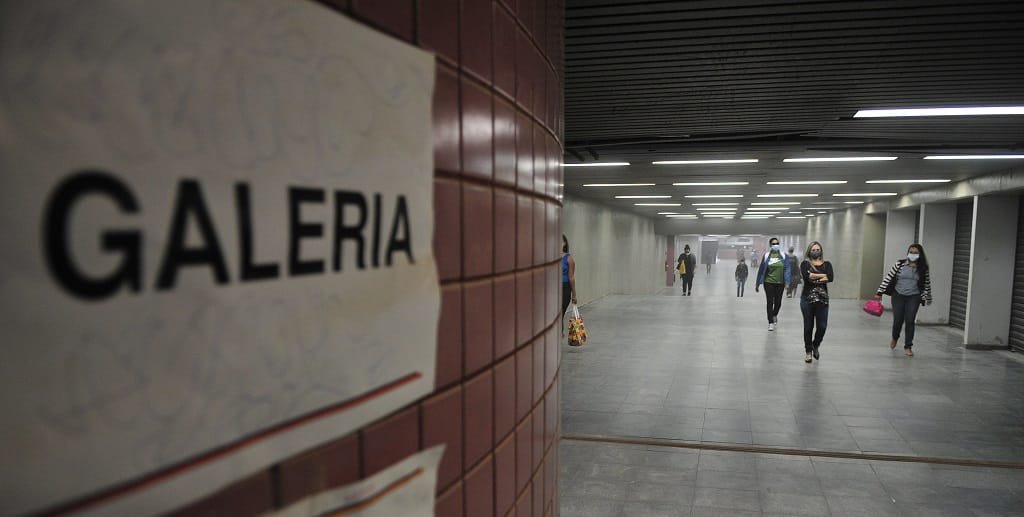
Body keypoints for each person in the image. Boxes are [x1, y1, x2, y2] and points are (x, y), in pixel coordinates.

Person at [874, 243, 932, 356]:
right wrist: (879, 292)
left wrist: (926, 298)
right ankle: (895, 337)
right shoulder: (900, 264)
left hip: (914, 297)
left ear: (920, 255)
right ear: (908, 253)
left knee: (910, 320)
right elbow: (889, 277)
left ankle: (908, 346)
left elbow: (926, 284)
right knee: (898, 320)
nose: (913, 254)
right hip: (898, 295)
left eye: (916, 253)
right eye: (911, 252)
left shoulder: (923, 268)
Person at [800, 241, 834, 363]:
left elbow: (830, 277)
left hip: (822, 299)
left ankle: (816, 344)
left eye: (817, 249)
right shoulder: (805, 264)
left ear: (821, 250)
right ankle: (808, 352)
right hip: (806, 299)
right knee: (808, 326)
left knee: (822, 326)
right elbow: (806, 277)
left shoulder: (827, 264)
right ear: (809, 251)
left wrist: (814, 275)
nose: (815, 251)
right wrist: (822, 276)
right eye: (813, 250)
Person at [755, 237, 791, 331]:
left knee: (778, 302)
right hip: (768, 282)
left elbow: (787, 269)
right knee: (770, 302)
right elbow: (761, 270)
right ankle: (770, 322)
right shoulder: (767, 256)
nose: (776, 245)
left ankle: (774, 315)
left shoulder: (784, 256)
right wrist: (757, 283)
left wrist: (787, 282)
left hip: (780, 283)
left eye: (777, 243)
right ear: (770, 245)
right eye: (774, 244)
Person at [561, 235, 577, 336]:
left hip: (565, 288)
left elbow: (571, 277)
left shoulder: (569, 259)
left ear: (565, 243)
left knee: (559, 312)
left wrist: (574, 295)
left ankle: (559, 333)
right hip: (552, 289)